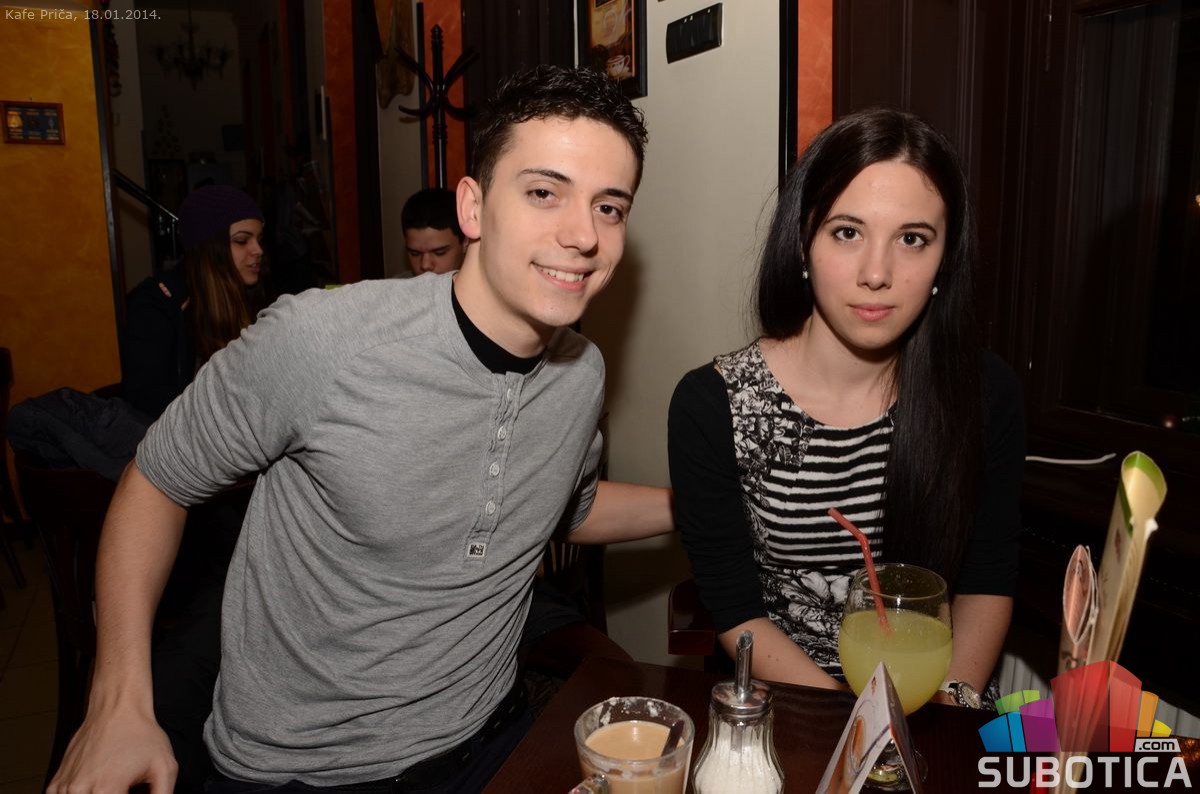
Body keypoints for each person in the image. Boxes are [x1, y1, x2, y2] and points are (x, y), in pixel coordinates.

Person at [50, 64, 670, 794]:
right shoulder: (324, 340)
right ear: (473, 208)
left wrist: (692, 504)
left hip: (491, 741)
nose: (582, 235)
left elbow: (565, 507)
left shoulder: (581, 375)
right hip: (300, 772)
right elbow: (157, 478)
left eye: (609, 207)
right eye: (543, 192)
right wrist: (117, 705)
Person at [668, 108, 1023, 704]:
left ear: (944, 259)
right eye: (847, 232)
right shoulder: (713, 406)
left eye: (912, 239)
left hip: (940, 700)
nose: (877, 273)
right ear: (803, 241)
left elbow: (987, 581)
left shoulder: (985, 393)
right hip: (797, 705)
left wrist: (948, 707)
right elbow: (736, 614)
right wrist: (863, 729)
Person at [121, 185, 268, 418]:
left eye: (259, 239)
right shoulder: (159, 303)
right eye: (242, 241)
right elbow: (145, 401)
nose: (258, 250)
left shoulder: (255, 296)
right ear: (208, 247)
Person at [401, 187, 467, 275]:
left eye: (439, 253)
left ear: (466, 241)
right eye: (415, 254)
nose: (425, 265)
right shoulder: (394, 283)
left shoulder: (484, 283)